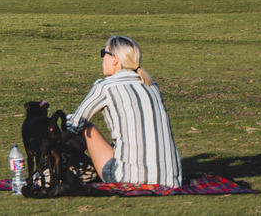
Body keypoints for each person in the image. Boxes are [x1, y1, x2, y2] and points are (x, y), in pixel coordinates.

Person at [63, 36, 182, 188]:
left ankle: (54, 169)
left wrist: (47, 138)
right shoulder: (151, 85)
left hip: (127, 178)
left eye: (103, 53)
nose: (102, 59)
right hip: (170, 179)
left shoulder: (106, 86)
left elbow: (75, 124)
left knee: (83, 129)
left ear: (115, 59)